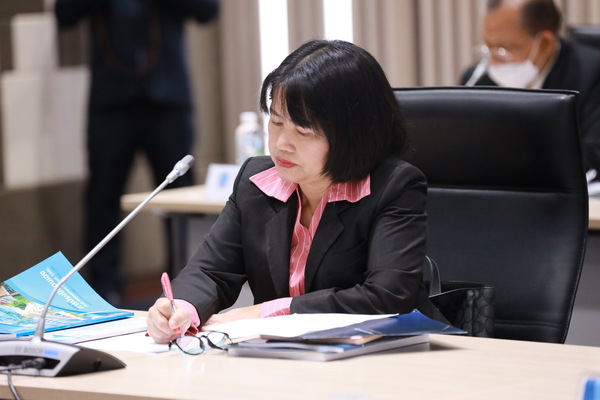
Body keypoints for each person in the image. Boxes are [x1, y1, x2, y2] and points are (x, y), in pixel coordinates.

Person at [147, 39, 446, 343]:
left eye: (303, 131)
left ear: (353, 135)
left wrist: (272, 311)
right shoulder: (256, 181)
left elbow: (386, 297)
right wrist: (182, 307)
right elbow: (211, 271)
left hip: (382, 356)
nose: (280, 144)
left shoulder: (393, 186)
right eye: (276, 122)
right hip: (283, 356)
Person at [54, 0, 219, 303]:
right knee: (103, 195)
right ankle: (103, 289)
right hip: (111, 101)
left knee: (179, 194)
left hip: (168, 97)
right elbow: (64, 15)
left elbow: (207, 10)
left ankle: (189, 284)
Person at [460, 0, 600, 178]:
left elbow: (593, 155)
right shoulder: (477, 80)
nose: (493, 63)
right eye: (489, 47)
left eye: (504, 50)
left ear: (546, 43)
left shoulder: (592, 73)